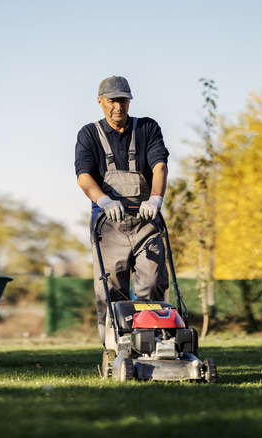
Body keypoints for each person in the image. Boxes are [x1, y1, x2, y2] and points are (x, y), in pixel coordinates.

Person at [74, 75, 170, 344]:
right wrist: (103, 200)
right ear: (100, 102)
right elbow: (83, 176)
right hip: (108, 224)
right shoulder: (89, 134)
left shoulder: (147, 128)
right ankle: (115, 346)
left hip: (145, 221)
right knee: (111, 289)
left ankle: (153, 341)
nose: (119, 106)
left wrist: (155, 199)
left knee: (152, 282)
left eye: (123, 100)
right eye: (113, 101)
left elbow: (159, 166)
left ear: (129, 101)